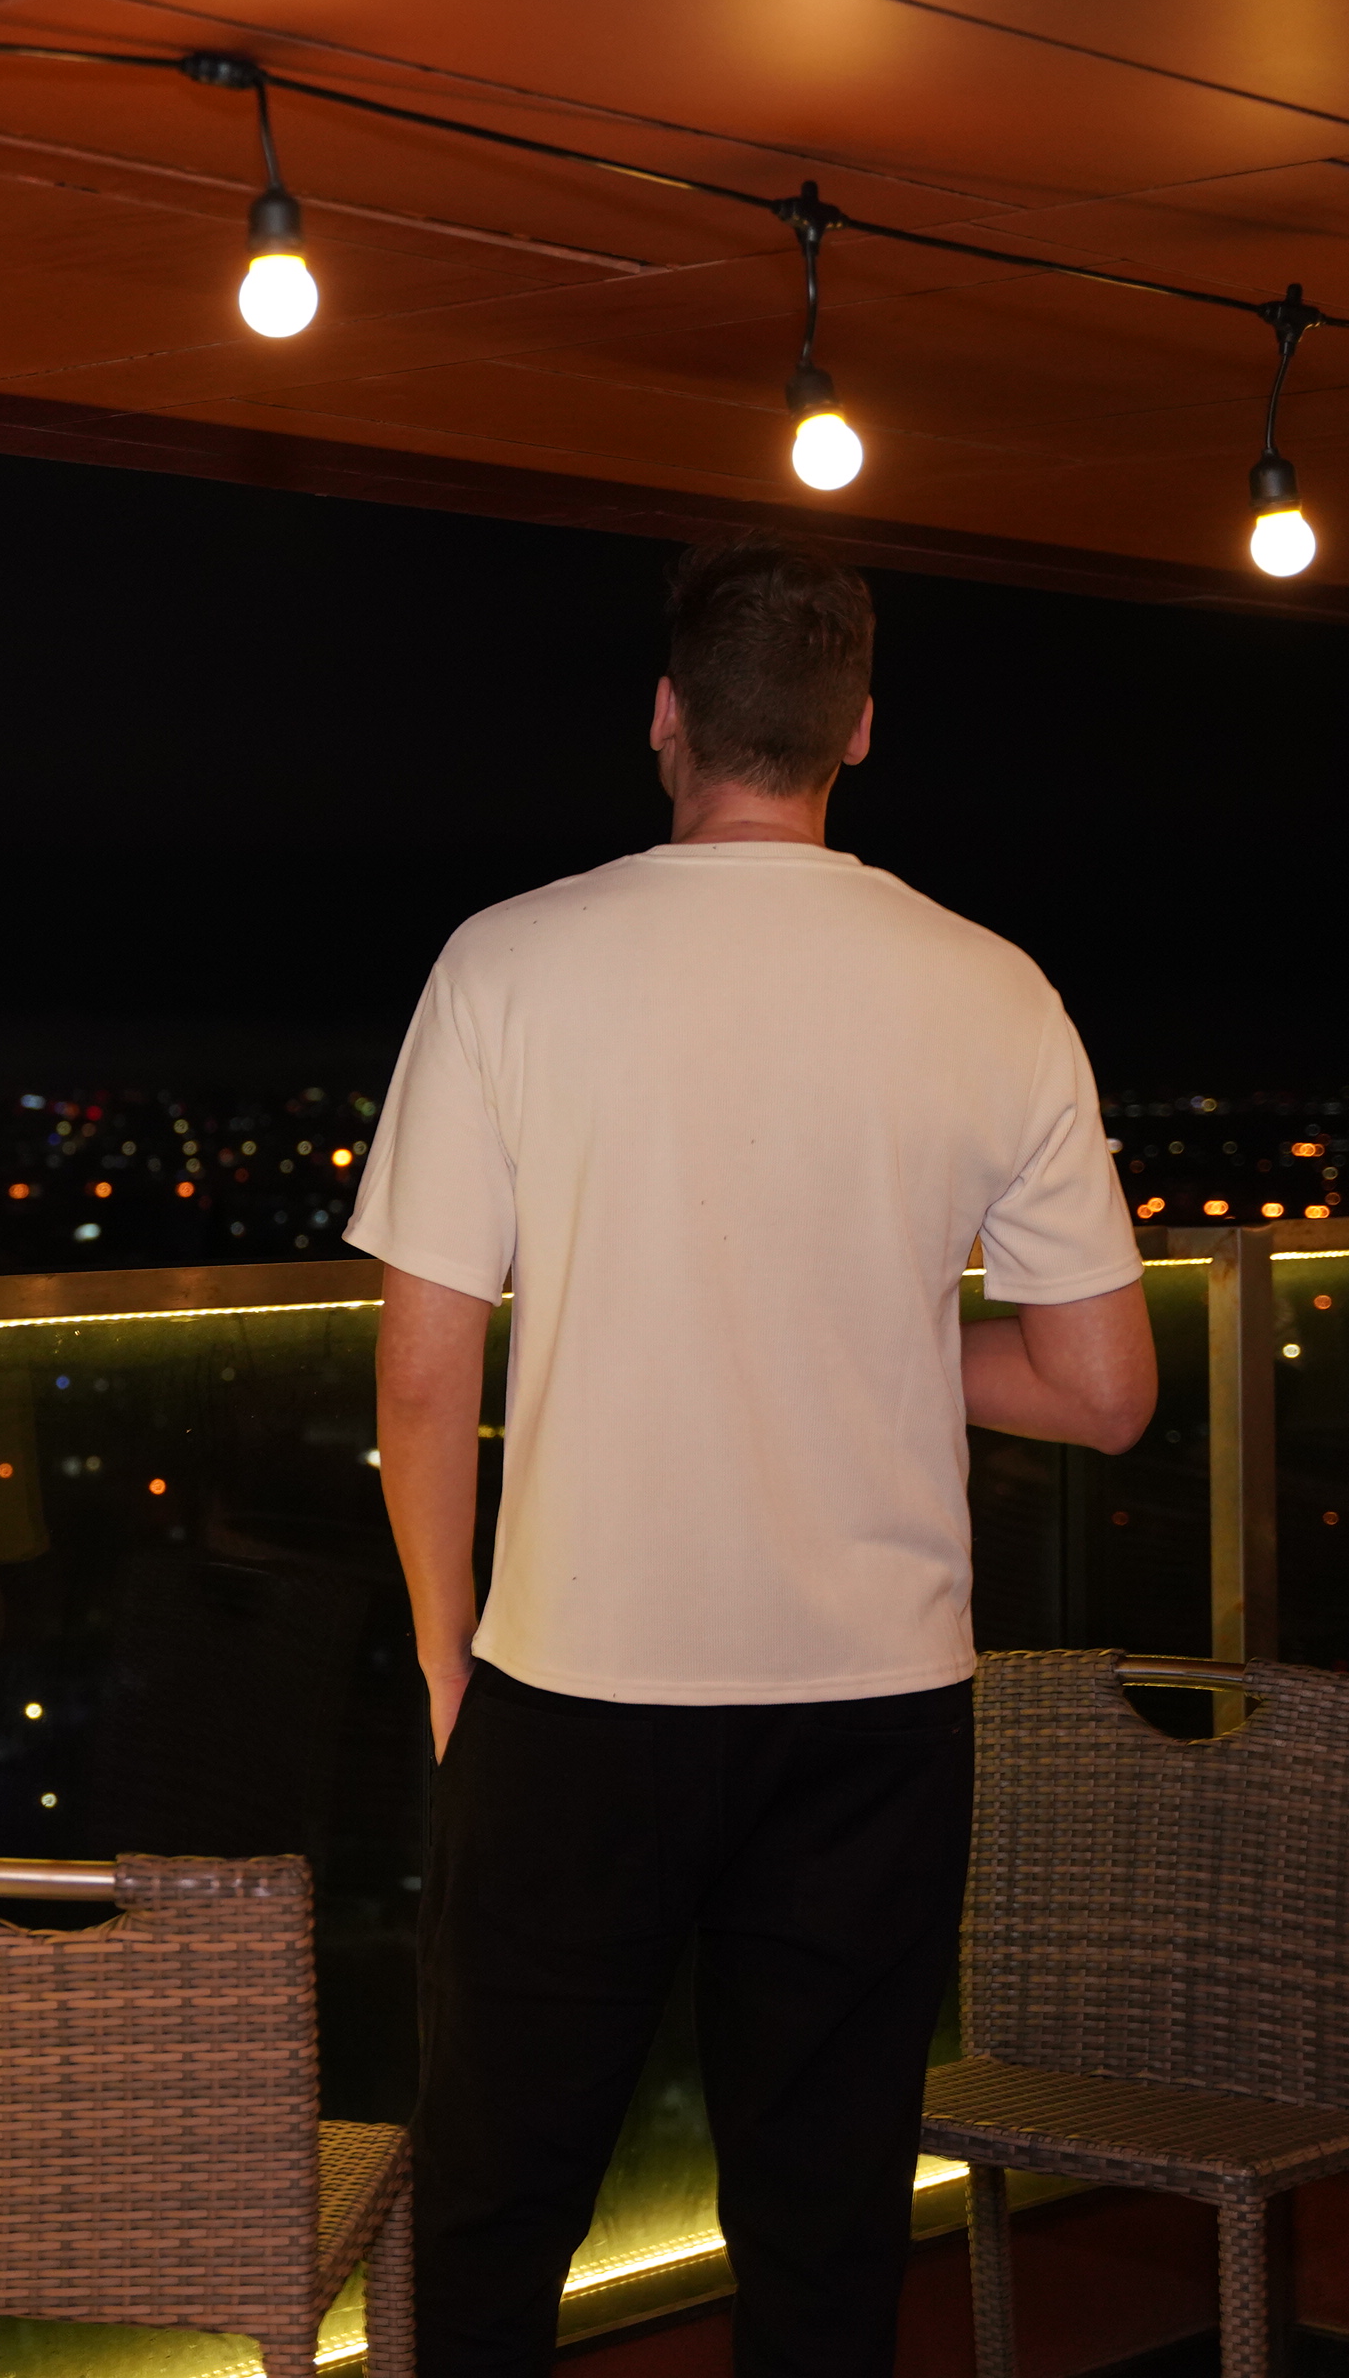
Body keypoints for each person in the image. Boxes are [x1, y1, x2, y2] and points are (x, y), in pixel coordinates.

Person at [350, 535, 1155, 2378]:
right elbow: (1103, 1389)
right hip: (875, 1708)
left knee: (495, 2216)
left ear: (666, 717)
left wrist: (448, 1662)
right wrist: (872, 1339)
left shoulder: (508, 963)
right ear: (857, 729)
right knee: (824, 2228)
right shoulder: (994, 988)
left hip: (578, 1687)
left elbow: (422, 1378)